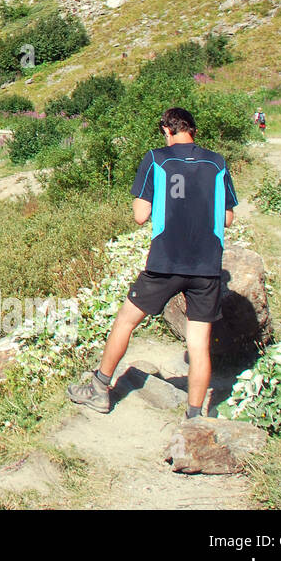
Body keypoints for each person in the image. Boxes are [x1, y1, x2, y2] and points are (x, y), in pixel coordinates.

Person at [68, 107, 237, 418]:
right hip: (207, 266)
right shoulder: (217, 162)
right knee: (198, 344)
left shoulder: (156, 159)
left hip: (165, 262)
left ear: (166, 131)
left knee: (125, 320)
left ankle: (100, 388)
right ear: (193, 130)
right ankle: (196, 417)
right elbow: (226, 217)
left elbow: (140, 215)